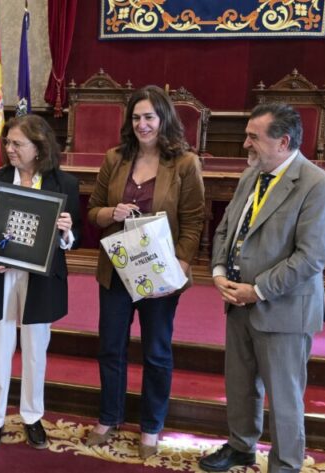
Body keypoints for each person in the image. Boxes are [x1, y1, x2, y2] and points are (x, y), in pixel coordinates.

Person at [199, 103, 325, 473]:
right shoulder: (252, 174)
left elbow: (310, 259)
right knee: (240, 386)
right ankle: (241, 447)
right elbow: (226, 228)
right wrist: (218, 271)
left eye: (253, 137)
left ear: (283, 141)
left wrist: (257, 290)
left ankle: (285, 465)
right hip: (237, 301)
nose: (245, 143)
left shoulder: (318, 186)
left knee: (284, 398)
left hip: (283, 310)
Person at [85, 85, 205, 459]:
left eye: (149, 117)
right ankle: (110, 417)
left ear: (164, 119)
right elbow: (92, 211)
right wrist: (111, 214)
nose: (142, 124)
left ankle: (152, 426)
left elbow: (194, 221)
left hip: (158, 275)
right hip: (117, 272)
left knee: (156, 352)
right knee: (111, 348)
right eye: (136, 117)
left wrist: (178, 270)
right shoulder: (115, 158)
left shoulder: (185, 163)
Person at [0, 114, 81, 450]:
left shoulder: (64, 184)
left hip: (40, 280)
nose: (9, 148)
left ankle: (32, 416)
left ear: (39, 147)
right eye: (7, 142)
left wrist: (65, 232)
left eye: (17, 143)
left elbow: (71, 242)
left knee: (36, 351)